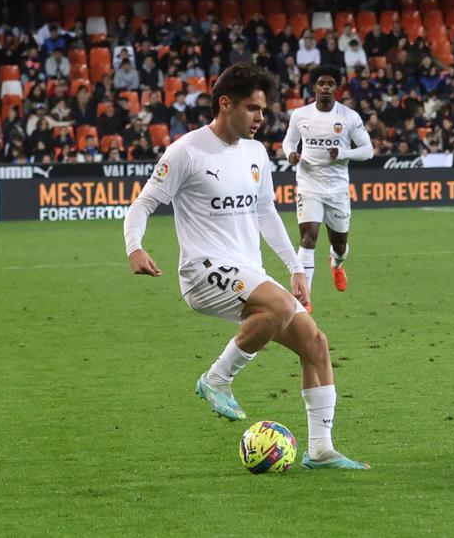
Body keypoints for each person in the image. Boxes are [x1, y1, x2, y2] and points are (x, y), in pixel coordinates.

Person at [123, 63, 369, 470]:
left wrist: (295, 269)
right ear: (226, 104)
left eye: (264, 110)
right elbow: (143, 204)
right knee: (274, 308)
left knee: (316, 343)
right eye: (253, 109)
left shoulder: (256, 153)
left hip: (247, 271)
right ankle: (216, 379)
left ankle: (321, 450)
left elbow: (266, 213)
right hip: (203, 271)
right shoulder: (187, 151)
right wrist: (135, 247)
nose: (261, 118)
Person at [283, 66, 372, 300]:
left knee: (340, 244)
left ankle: (337, 264)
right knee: (308, 238)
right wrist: (290, 154)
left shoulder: (349, 117)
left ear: (336, 88)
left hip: (337, 189)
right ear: (314, 87)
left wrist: (343, 153)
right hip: (308, 184)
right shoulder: (300, 115)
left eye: (330, 83)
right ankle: (305, 299)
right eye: (321, 83)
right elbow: (288, 142)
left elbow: (368, 151)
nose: (325, 87)